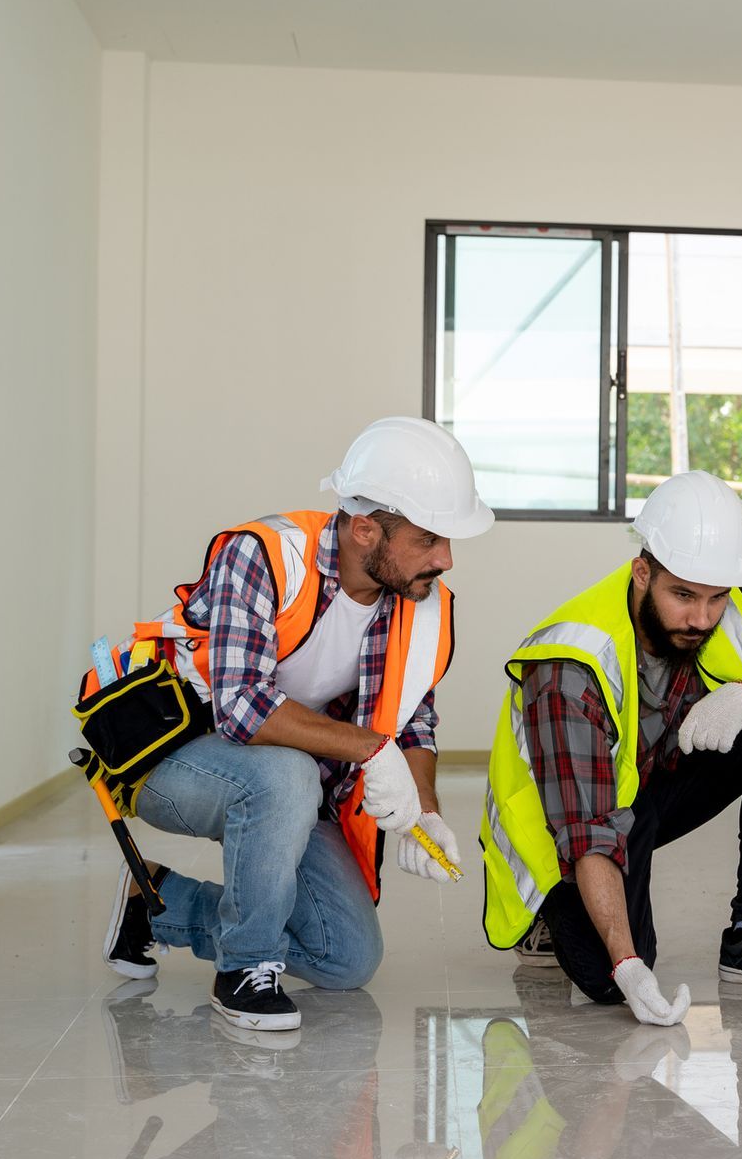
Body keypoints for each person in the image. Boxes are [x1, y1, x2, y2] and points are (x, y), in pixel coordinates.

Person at [98, 416, 492, 1033]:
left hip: (285, 779)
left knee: (348, 957)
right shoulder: (263, 556)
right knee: (286, 774)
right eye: (429, 539)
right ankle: (244, 970)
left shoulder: (421, 601)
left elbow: (413, 719)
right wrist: (369, 749)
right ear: (366, 529)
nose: (445, 559)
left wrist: (426, 806)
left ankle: (156, 905)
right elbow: (242, 709)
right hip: (161, 757)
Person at [479, 471, 742, 1025]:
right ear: (642, 573)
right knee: (610, 985)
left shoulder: (725, 599)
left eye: (715, 599)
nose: (702, 619)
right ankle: (548, 915)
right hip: (565, 834)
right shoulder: (570, 668)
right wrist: (628, 964)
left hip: (645, 794)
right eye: (683, 596)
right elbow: (588, 833)